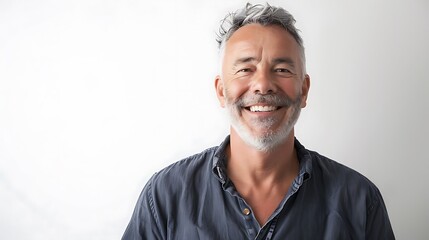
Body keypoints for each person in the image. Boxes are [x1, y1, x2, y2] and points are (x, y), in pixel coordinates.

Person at [122, 3, 395, 239]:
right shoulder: (165, 196)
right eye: (245, 69)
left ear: (304, 90)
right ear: (221, 91)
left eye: (282, 69)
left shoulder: (360, 201)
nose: (263, 85)